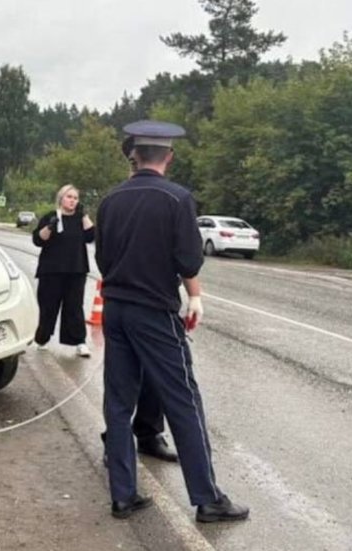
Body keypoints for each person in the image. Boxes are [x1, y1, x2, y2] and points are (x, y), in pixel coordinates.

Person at [95, 120, 248, 523]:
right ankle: (207, 498)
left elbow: (103, 261)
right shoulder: (177, 199)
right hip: (154, 313)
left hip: (115, 309)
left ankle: (123, 495)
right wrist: (194, 296)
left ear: (135, 158)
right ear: (169, 157)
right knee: (184, 402)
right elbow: (188, 261)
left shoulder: (110, 200)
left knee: (117, 399)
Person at [31, 184, 95, 357]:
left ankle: (79, 342)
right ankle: (42, 338)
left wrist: (84, 215)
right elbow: (38, 240)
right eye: (69, 197)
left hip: (75, 270)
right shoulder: (51, 217)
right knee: (48, 306)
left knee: (74, 307)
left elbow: (91, 236)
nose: (72, 201)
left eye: (75, 198)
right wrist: (50, 227)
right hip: (51, 271)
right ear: (61, 198)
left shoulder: (79, 218)